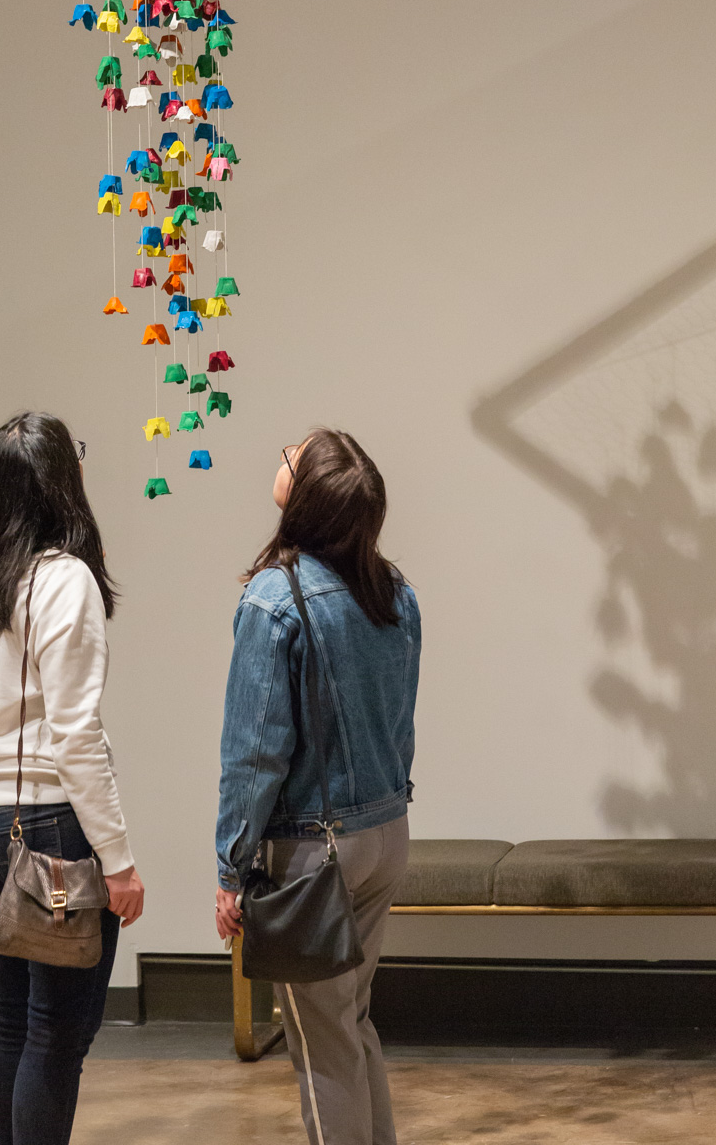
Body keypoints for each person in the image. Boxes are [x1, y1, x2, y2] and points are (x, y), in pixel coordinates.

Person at [215, 430, 420, 1145]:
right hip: (384, 837)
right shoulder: (393, 591)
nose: (280, 458)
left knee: (321, 1042)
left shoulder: (274, 601)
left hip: (311, 856)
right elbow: (400, 724)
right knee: (350, 1023)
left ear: (308, 495)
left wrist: (231, 867)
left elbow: (253, 755)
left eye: (291, 456)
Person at [0, 413, 144, 1145]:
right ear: (61, 482)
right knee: (58, 1033)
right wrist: (118, 860)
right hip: (48, 826)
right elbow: (75, 734)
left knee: (13, 1021)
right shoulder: (66, 581)